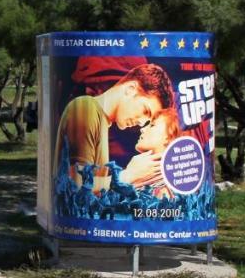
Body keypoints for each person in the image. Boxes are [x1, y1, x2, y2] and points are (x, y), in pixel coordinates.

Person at [54, 63, 174, 191]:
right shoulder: (86, 109)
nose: (141, 123)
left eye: (148, 121)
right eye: (146, 111)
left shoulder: (100, 121)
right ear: (131, 89)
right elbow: (74, 185)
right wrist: (128, 177)